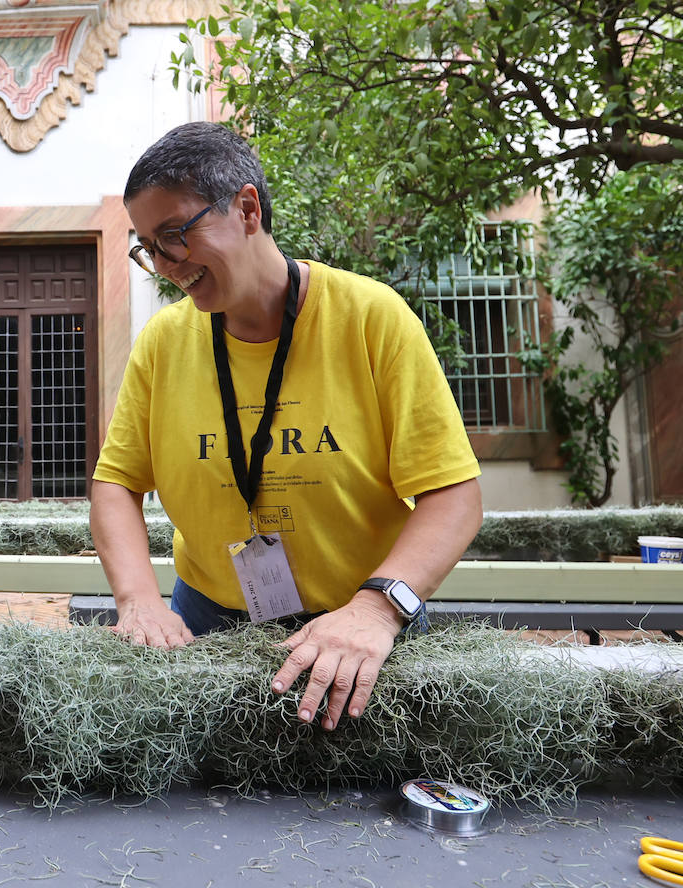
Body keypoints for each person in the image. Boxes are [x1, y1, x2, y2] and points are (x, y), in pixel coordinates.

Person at [91, 121, 483, 731]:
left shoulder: (370, 317)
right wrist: (139, 600)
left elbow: (454, 495)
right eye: (148, 245)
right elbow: (116, 482)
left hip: (364, 624)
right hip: (206, 621)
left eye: (175, 235)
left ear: (247, 208)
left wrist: (377, 612)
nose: (165, 265)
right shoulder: (164, 342)